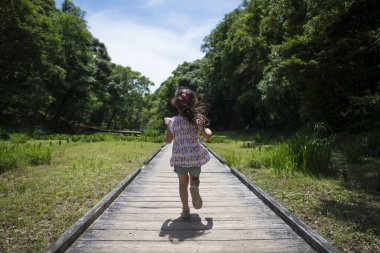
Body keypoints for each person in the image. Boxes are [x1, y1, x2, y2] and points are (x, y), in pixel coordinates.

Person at [164, 88, 212, 219]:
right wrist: (208, 130)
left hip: (180, 159)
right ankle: (194, 187)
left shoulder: (173, 121)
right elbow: (207, 136)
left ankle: (185, 210)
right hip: (195, 158)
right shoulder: (198, 120)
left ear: (177, 103)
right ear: (194, 102)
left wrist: (171, 131)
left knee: (182, 184)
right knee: (194, 179)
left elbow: (168, 141)